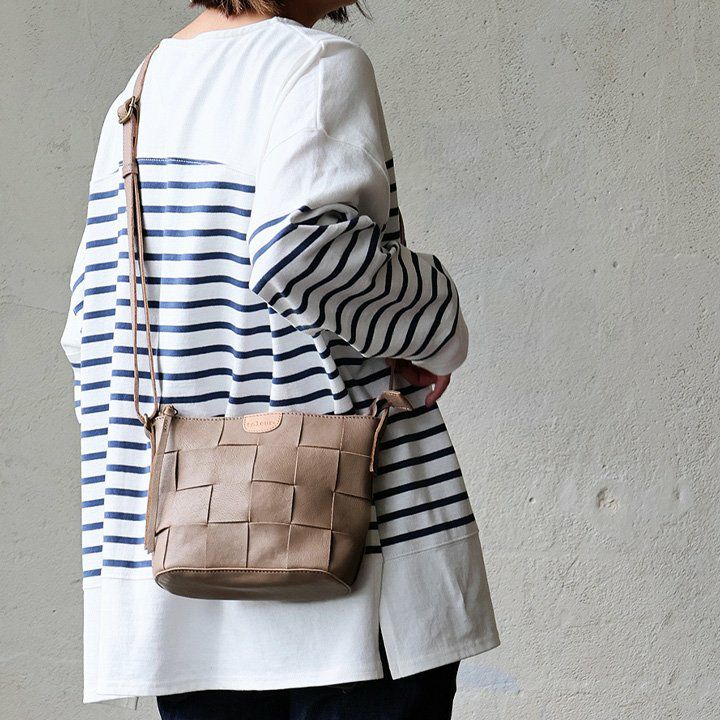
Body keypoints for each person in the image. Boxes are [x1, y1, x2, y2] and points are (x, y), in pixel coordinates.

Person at [60, 2, 500, 718]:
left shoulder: (137, 97)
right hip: (349, 573)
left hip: (190, 589)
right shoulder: (315, 65)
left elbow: (90, 330)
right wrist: (434, 322)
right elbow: (298, 251)